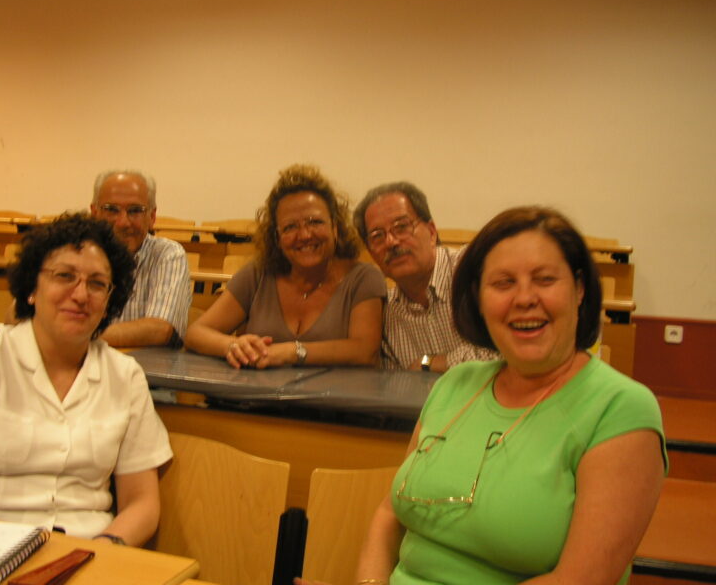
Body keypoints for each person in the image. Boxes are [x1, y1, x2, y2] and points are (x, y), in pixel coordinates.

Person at [299, 206, 666, 585]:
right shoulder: (454, 384)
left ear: (579, 289)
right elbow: (389, 515)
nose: (524, 298)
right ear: (479, 299)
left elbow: (581, 579)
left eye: (544, 279)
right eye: (503, 283)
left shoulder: (620, 409)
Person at [0, 214, 173, 546]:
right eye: (65, 276)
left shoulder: (125, 376)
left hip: (89, 549)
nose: (81, 295)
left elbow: (142, 503)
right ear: (32, 290)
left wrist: (104, 548)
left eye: (97, 284)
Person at [185, 164, 386, 368]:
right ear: (277, 238)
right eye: (290, 227)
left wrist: (292, 351)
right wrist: (233, 346)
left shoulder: (363, 278)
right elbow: (196, 333)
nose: (305, 235)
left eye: (315, 222)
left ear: (335, 227)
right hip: (258, 390)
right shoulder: (258, 274)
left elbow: (364, 351)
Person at [353, 182, 495, 372]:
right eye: (377, 236)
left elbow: (510, 350)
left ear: (431, 231)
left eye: (402, 227)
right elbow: (394, 384)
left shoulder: (474, 270)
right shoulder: (386, 314)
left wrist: (429, 363)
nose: (391, 242)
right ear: (371, 252)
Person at [91, 169, 190, 348]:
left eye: (135, 211)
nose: (123, 222)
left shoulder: (168, 254)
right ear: (94, 213)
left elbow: (160, 329)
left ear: (152, 217)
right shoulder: (79, 255)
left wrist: (80, 338)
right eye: (111, 210)